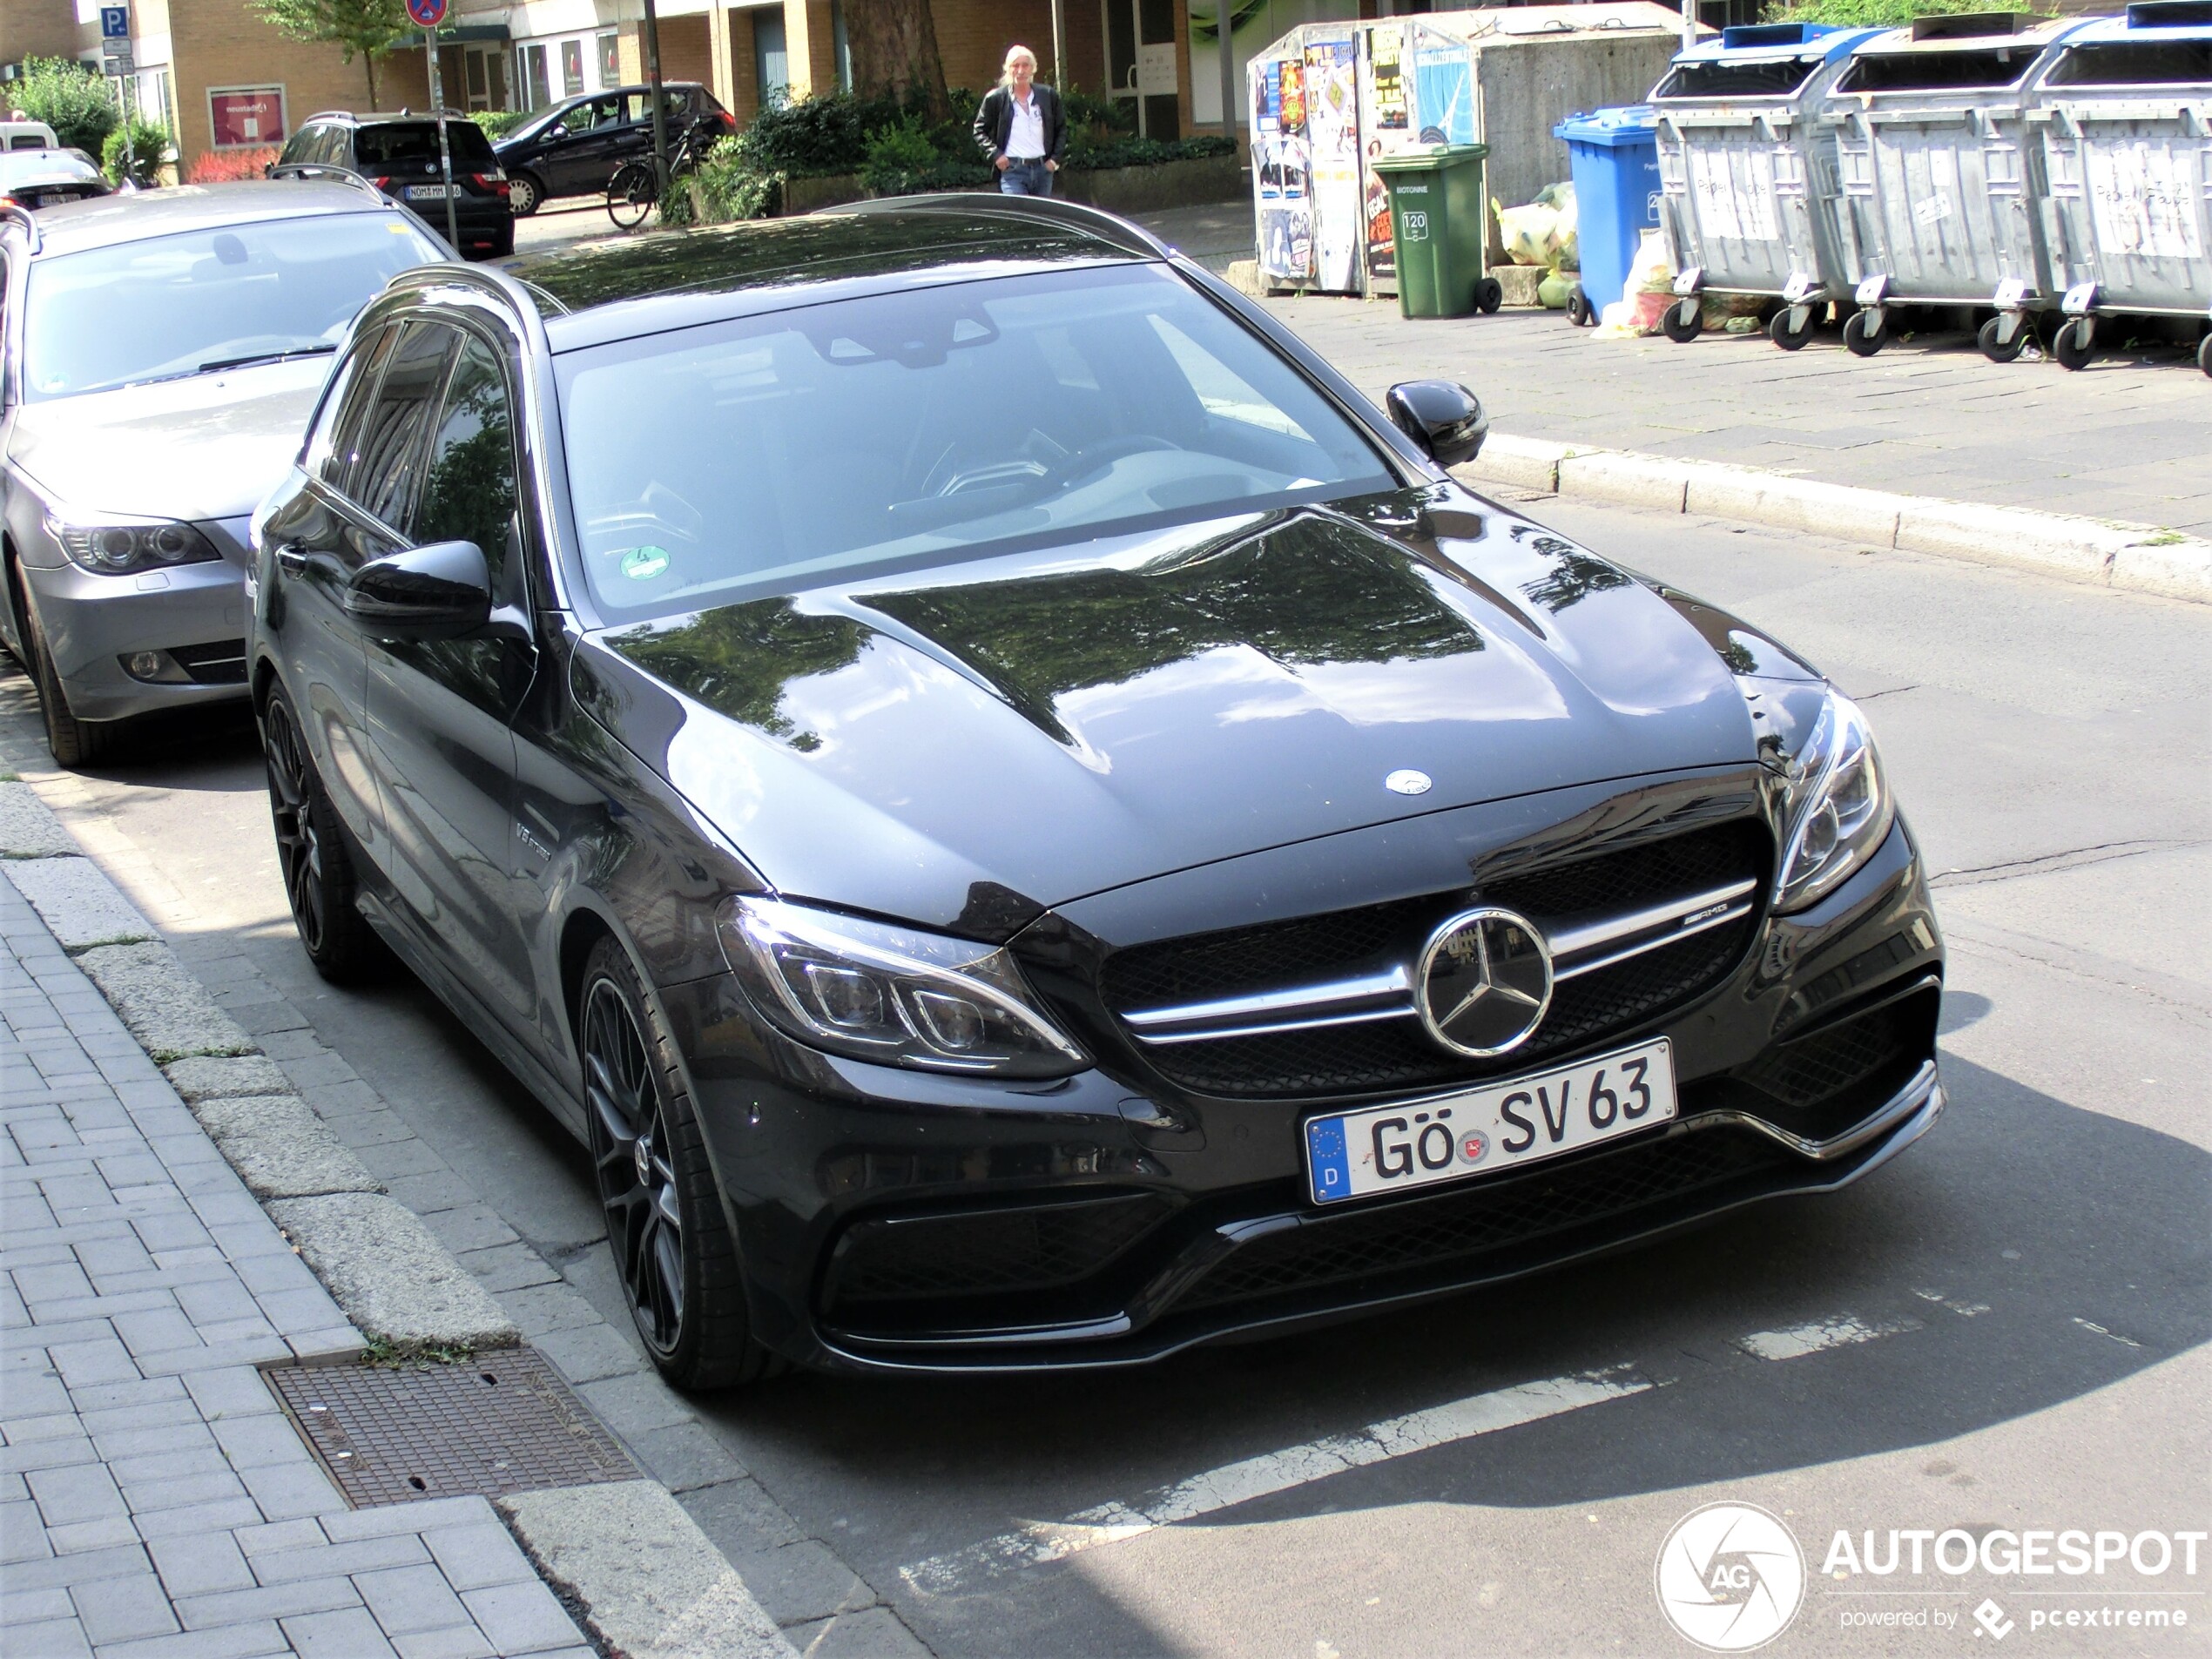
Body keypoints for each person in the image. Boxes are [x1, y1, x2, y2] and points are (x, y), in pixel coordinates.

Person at [971, 46, 1065, 197]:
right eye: (1015, 65)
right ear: (1008, 69)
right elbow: (979, 130)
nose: (1020, 71)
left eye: (1025, 65)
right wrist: (996, 154)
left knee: (1039, 219)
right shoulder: (996, 98)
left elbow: (1061, 129)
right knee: (1018, 216)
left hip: (1043, 170)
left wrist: (1054, 160)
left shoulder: (1048, 95)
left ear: (1033, 69)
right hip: (1013, 170)